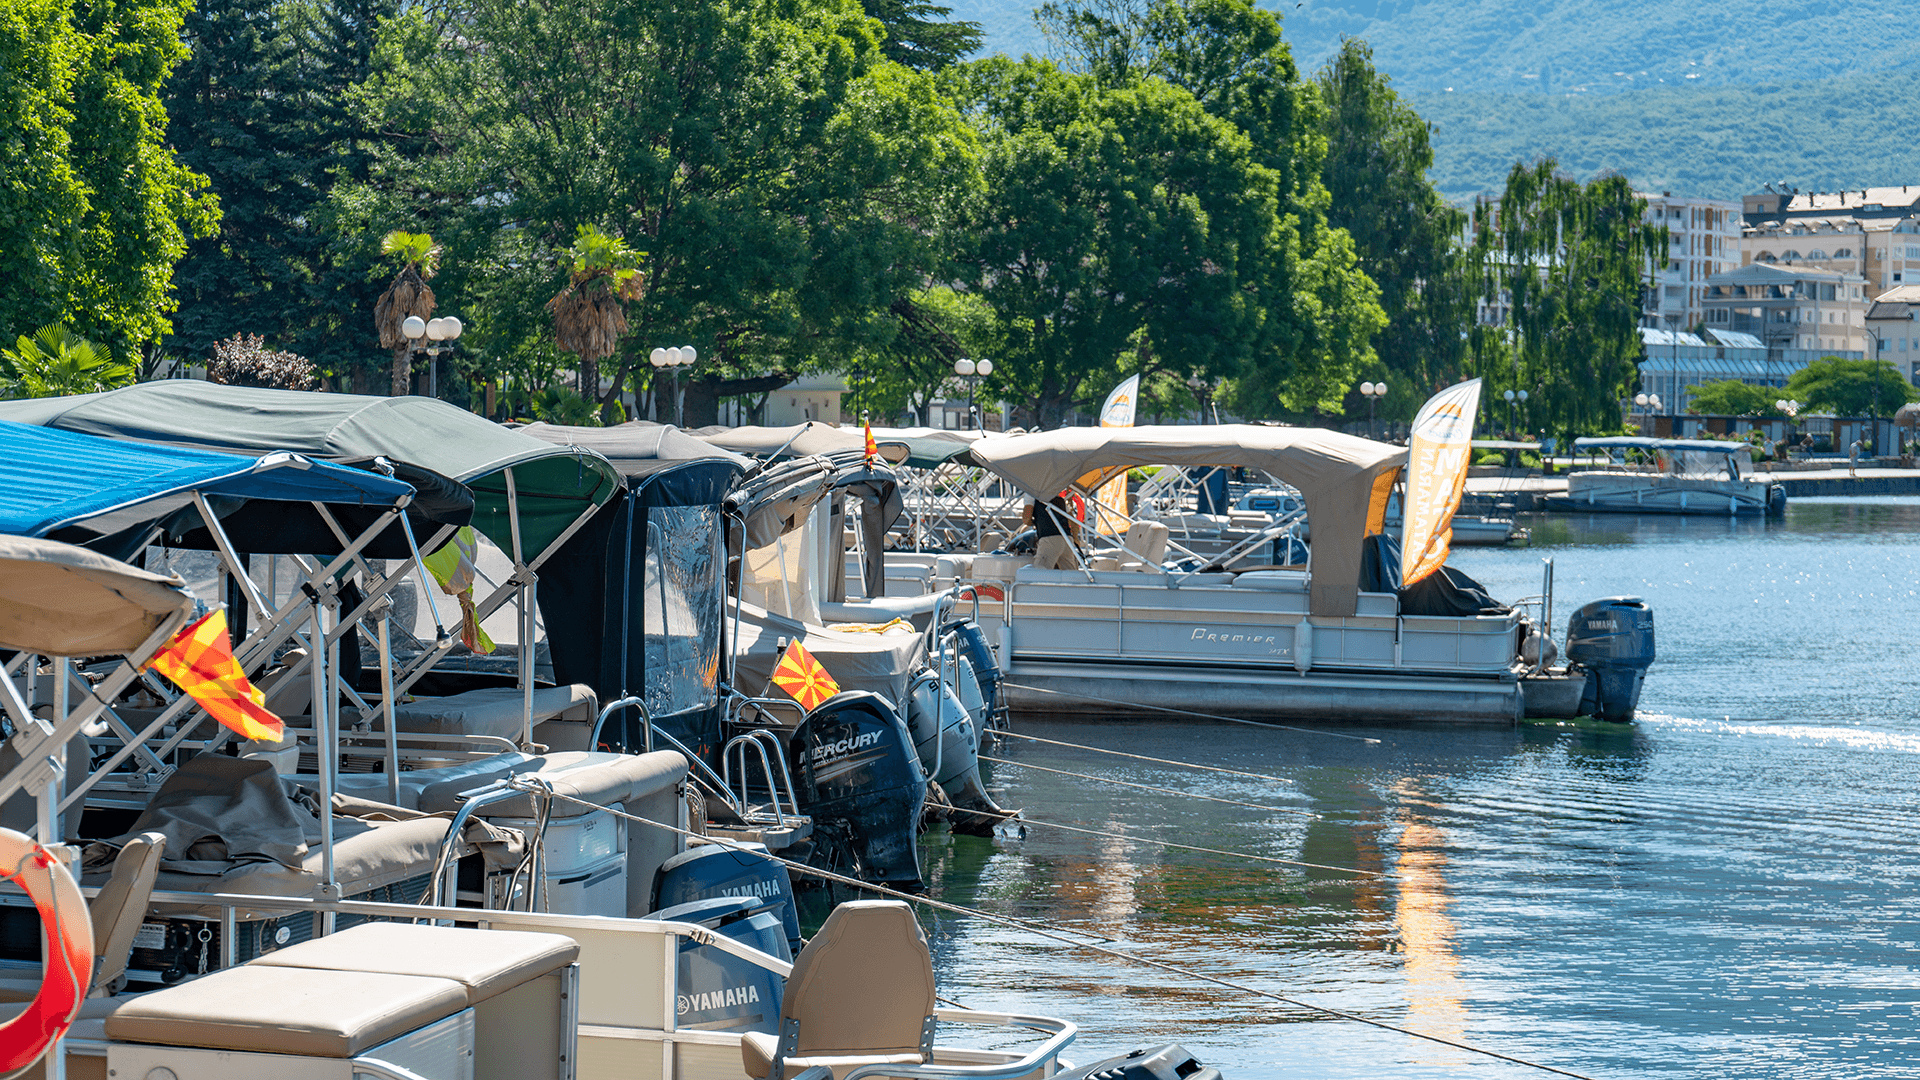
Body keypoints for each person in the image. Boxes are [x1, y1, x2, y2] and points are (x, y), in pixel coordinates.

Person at [1024, 492, 1080, 570]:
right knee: (1070, 574)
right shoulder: (1060, 500)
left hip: (1049, 538)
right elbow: (1074, 524)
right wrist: (1075, 539)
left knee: (1040, 572)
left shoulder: (1031, 495)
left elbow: (1026, 519)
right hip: (1067, 539)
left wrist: (1035, 523)